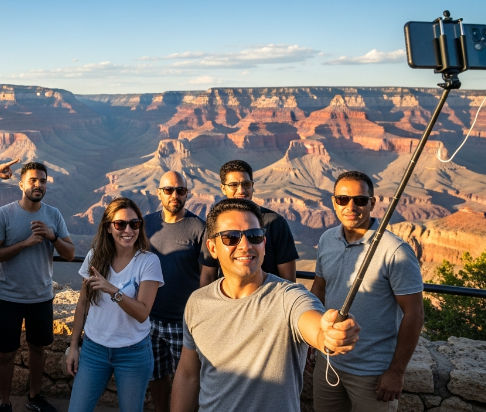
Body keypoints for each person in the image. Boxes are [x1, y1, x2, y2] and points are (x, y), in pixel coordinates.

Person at [170, 198, 361, 412]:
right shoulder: (198, 303)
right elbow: (188, 375)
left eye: (254, 236)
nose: (245, 245)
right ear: (212, 248)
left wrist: (329, 333)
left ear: (264, 244)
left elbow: (315, 326)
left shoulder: (289, 297)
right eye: (231, 237)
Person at [311, 171, 424, 412]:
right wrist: (313, 340)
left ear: (372, 203)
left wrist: (396, 372)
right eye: (342, 199)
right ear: (333, 201)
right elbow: (318, 290)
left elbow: (414, 314)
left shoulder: (396, 251)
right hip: (328, 363)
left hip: (373, 373)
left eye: (360, 200)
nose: (351, 206)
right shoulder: (327, 239)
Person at [0, 162, 76, 412]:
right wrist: (23, 244)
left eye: (43, 181)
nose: (38, 185)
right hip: (9, 297)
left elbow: (70, 254)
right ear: (22, 184)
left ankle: (34, 397)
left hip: (41, 297)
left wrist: (52, 236)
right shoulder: (4, 214)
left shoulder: (53, 215)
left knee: (38, 349)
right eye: (33, 180)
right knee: (5, 353)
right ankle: (4, 402)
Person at [66, 197, 163, 412]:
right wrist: (74, 347)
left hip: (133, 352)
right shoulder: (94, 257)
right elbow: (82, 304)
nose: (128, 230)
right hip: (93, 349)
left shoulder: (148, 262)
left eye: (134, 224)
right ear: (109, 228)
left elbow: (142, 313)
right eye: (120, 224)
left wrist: (113, 290)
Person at [143, 171, 211, 412]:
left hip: (184, 323)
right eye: (169, 190)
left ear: (187, 194)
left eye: (180, 190)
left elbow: (207, 277)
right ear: (159, 193)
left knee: (192, 379)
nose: (175, 195)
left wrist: (200, 318)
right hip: (149, 319)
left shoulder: (198, 228)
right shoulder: (146, 224)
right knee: (156, 376)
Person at [200, 160, 299, 285]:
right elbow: (208, 275)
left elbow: (288, 280)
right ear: (223, 188)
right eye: (233, 185)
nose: (241, 190)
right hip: (228, 302)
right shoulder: (216, 224)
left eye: (246, 184)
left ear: (252, 186)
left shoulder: (276, 223)